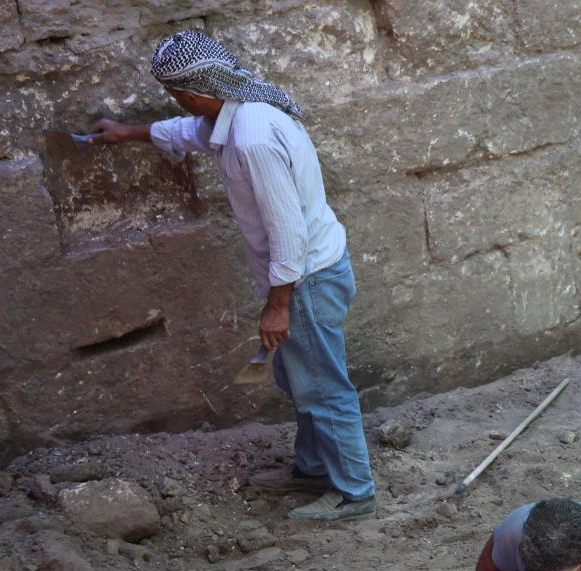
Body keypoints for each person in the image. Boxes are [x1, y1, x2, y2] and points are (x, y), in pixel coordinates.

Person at [89, 30, 375, 521]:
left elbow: (288, 234)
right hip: (303, 277)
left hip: (304, 280)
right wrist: (129, 132)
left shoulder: (254, 137)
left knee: (325, 388)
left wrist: (278, 305)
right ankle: (311, 469)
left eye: (177, 95)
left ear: (196, 91)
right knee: (303, 381)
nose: (177, 103)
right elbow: (190, 133)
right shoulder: (238, 112)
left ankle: (355, 493)